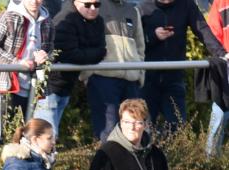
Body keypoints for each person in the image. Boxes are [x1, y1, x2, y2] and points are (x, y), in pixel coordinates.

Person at [140, 0, 225, 131]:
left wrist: (222, 54)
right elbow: (135, 39)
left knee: (178, 128)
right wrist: (153, 36)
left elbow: (202, 30)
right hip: (147, 79)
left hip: (174, 79)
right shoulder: (142, 6)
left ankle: (174, 150)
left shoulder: (186, 5)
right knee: (144, 128)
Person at [0, 0, 54, 145]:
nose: (35, 2)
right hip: (6, 82)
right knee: (3, 131)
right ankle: (0, 159)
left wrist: (45, 56)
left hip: (34, 83)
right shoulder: (8, 17)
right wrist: (15, 62)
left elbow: (51, 50)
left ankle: (25, 160)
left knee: (29, 132)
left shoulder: (47, 22)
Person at [33, 0, 106, 138]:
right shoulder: (65, 19)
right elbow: (70, 54)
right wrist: (92, 54)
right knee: (46, 136)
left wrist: (87, 54)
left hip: (65, 85)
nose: (93, 8)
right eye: (88, 4)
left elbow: (102, 51)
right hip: (48, 85)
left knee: (49, 136)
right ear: (76, 2)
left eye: (97, 4)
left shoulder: (97, 21)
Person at [80, 0, 144, 142]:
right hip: (102, 78)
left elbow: (140, 46)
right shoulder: (94, 6)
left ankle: (131, 164)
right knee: (108, 132)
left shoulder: (133, 9)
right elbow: (82, 39)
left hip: (131, 80)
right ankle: (107, 164)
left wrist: (140, 74)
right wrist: (87, 73)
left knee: (135, 132)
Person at [204, 0, 229, 157]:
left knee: (220, 113)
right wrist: (223, 54)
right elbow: (212, 33)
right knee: (220, 112)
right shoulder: (221, 2)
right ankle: (210, 164)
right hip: (226, 65)